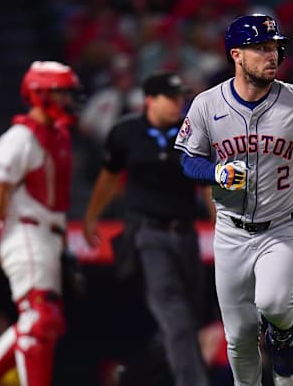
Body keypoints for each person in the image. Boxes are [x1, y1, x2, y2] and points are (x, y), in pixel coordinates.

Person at [174, 14, 293, 386]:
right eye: (261, 48)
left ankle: (285, 332)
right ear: (236, 55)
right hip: (230, 232)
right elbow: (187, 159)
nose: (271, 55)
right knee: (239, 338)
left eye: (274, 47)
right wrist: (216, 173)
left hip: (283, 227)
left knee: (273, 303)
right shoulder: (207, 105)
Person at [0, 61, 82, 386]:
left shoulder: (58, 137)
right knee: (40, 318)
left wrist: (64, 249)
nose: (68, 100)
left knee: (48, 322)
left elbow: (58, 201)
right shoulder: (19, 138)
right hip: (24, 231)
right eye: (61, 93)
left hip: (49, 237)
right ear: (40, 93)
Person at [83, 71, 210, 386]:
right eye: (171, 98)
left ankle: (138, 377)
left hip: (185, 233)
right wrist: (91, 217)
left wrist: (220, 221)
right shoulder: (126, 133)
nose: (178, 104)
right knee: (175, 313)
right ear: (150, 100)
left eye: (180, 98)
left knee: (188, 318)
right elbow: (110, 176)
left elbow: (208, 181)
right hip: (147, 233)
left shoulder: (193, 132)